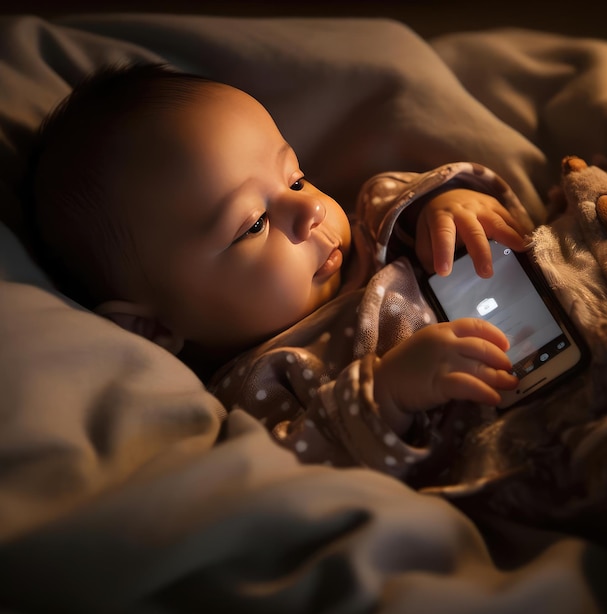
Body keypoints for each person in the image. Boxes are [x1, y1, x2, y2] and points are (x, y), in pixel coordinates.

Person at [24, 62, 534, 483]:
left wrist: (450, 206)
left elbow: (432, 194)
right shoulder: (259, 388)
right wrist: (386, 395)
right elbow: (299, 476)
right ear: (155, 330)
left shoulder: (378, 223)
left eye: (296, 177)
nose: (309, 208)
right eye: (254, 224)